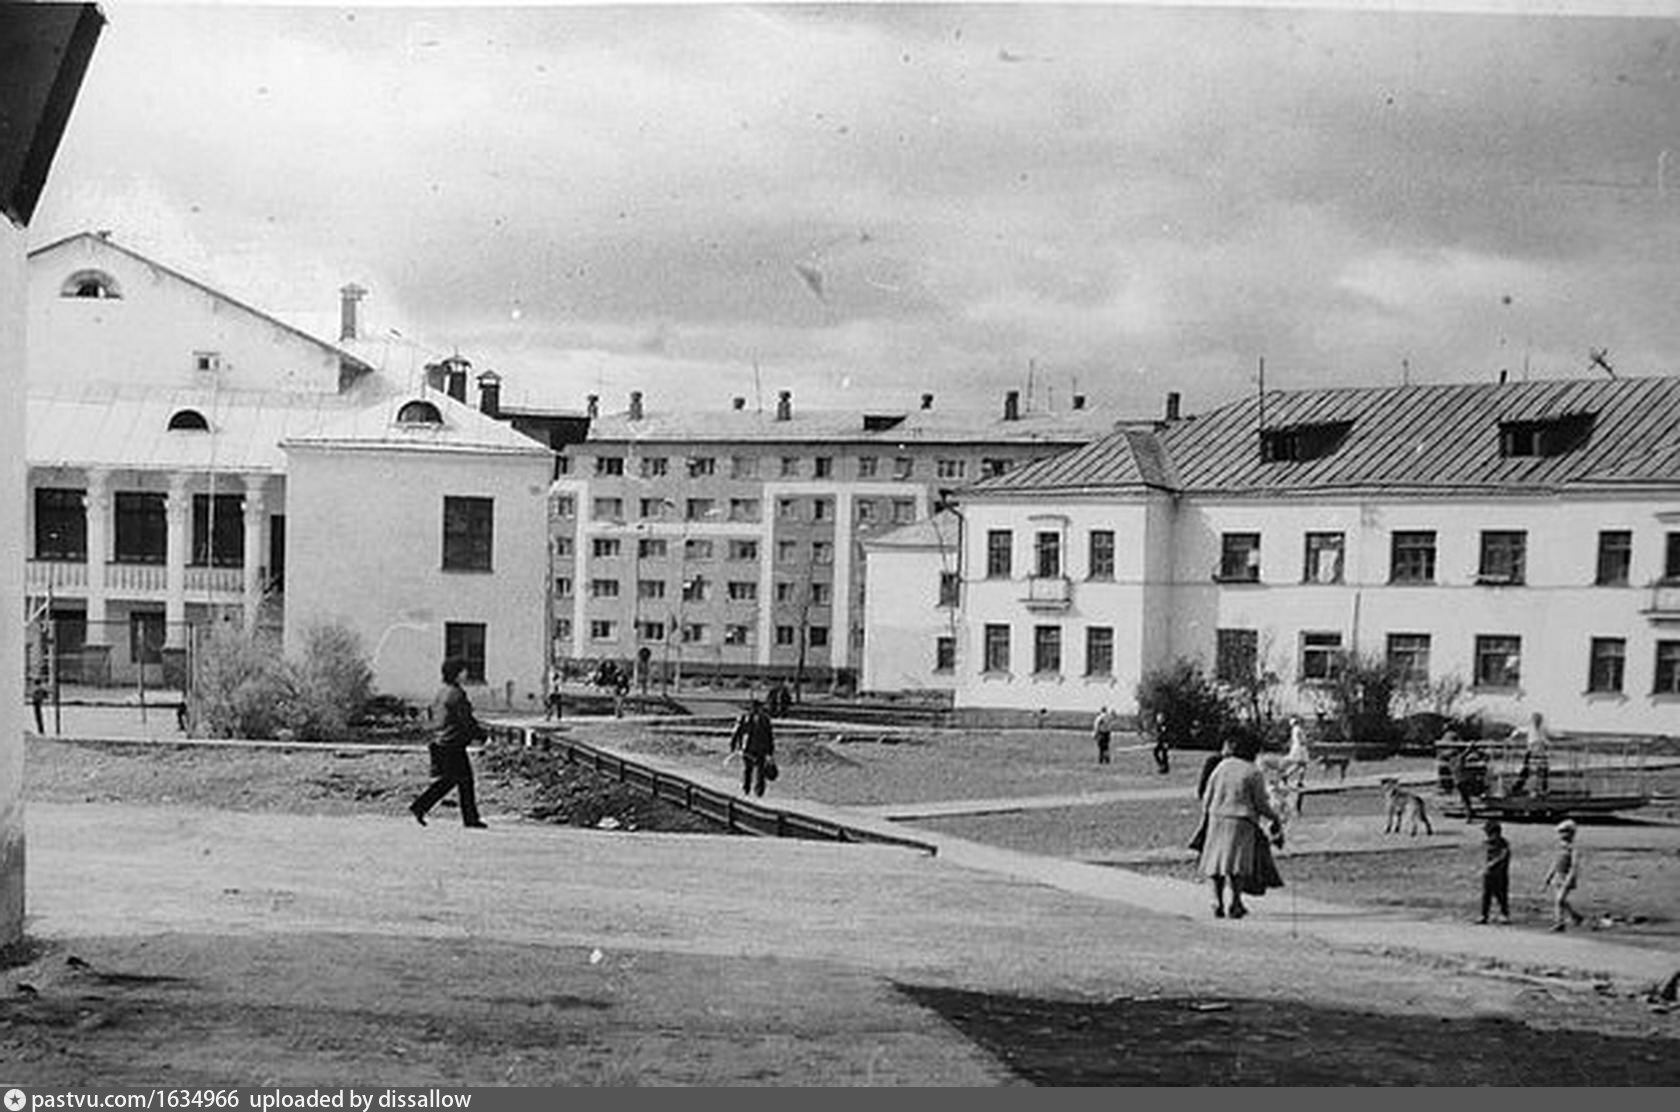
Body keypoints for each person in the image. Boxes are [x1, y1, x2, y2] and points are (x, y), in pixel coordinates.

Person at [1192, 728, 1284, 920]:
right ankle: (1235, 902)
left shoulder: (1222, 766)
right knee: (1237, 864)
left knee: (1216, 862)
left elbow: (1208, 795)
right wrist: (1274, 818)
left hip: (1217, 817)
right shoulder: (1252, 771)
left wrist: (1206, 816)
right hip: (1242, 822)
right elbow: (1260, 803)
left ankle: (1217, 900)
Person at [409, 657, 489, 829]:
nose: (466, 673)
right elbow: (465, 719)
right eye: (463, 670)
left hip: (441, 742)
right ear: (456, 673)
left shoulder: (442, 691)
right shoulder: (457, 694)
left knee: (458, 780)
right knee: (457, 780)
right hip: (453, 742)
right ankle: (421, 806)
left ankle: (467, 817)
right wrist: (480, 734)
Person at [1542, 818, 1586, 931]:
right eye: (1561, 832)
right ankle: (1575, 916)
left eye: (1565, 832)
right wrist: (1548, 878)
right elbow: (1554, 863)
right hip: (1558, 876)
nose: (1562, 835)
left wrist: (1569, 879)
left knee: (1560, 900)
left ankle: (1559, 922)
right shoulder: (1559, 848)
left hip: (1567, 876)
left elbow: (1574, 866)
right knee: (1560, 900)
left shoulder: (1573, 849)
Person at [730, 698, 776, 797]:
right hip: (748, 748)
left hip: (760, 748)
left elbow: (769, 736)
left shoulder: (765, 719)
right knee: (748, 769)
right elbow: (736, 732)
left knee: (759, 770)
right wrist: (733, 744)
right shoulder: (744, 718)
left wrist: (770, 751)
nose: (756, 710)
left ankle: (758, 791)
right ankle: (747, 788)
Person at [1509, 711, 1550, 797]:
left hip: (1541, 751)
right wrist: (1511, 737)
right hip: (1532, 751)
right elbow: (1519, 731)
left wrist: (1546, 744)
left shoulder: (1543, 729)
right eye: (1536, 719)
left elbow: (1545, 739)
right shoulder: (1530, 728)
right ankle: (1518, 787)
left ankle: (1543, 789)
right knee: (1527, 770)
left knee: (1543, 770)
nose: (1537, 721)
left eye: (1538, 719)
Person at [1478, 819, 1511, 924]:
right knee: (1486, 894)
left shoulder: (1503, 844)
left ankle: (1504, 914)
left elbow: (1503, 856)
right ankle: (1484, 914)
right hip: (1489, 874)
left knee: (1501, 894)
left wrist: (1492, 864)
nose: (1486, 835)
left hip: (1500, 874)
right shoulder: (1489, 843)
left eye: (1488, 832)